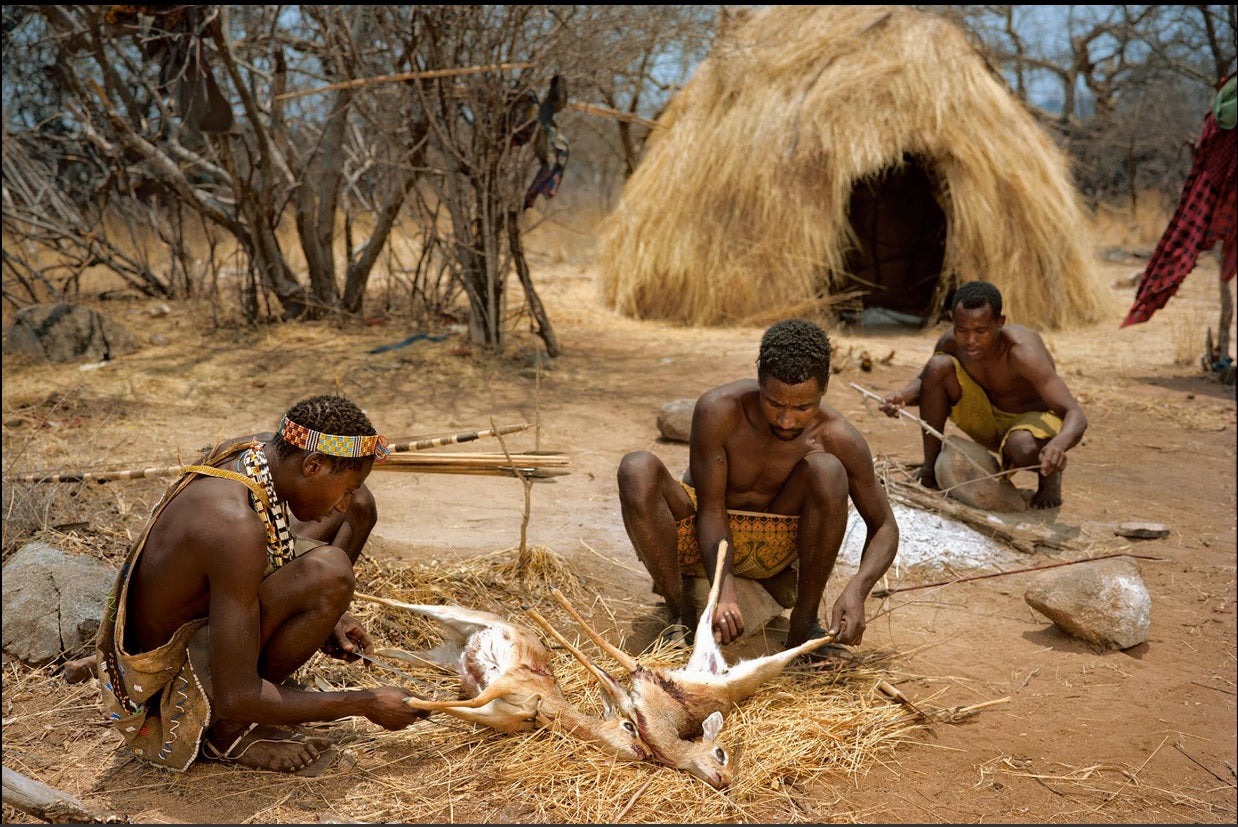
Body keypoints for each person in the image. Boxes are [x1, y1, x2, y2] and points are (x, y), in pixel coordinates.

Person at [94, 394, 428, 775]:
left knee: (360, 509)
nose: (341, 503)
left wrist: (329, 615)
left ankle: (313, 620)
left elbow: (321, 516)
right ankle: (227, 736)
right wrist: (365, 702)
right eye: (344, 488)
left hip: (215, 606)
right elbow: (238, 696)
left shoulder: (257, 451)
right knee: (330, 574)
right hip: (167, 684)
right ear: (313, 465)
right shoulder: (234, 527)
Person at [617, 318, 899, 651]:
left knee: (828, 471)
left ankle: (804, 625)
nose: (786, 420)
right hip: (702, 532)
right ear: (760, 381)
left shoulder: (838, 437)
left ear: (823, 390)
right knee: (636, 469)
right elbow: (709, 507)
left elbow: (884, 525)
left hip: (774, 549)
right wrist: (723, 587)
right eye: (774, 403)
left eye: (803, 407)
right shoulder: (720, 411)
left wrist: (857, 589)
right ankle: (681, 615)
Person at [879, 280, 1087, 509]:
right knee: (937, 365)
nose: (970, 340)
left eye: (981, 331)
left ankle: (1048, 475)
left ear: (1000, 322)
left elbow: (1074, 413)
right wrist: (903, 396)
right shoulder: (950, 343)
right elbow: (928, 383)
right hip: (985, 417)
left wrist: (1058, 445)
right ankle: (931, 467)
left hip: (1030, 424)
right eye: (962, 330)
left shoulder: (1021, 352)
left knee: (1023, 448)